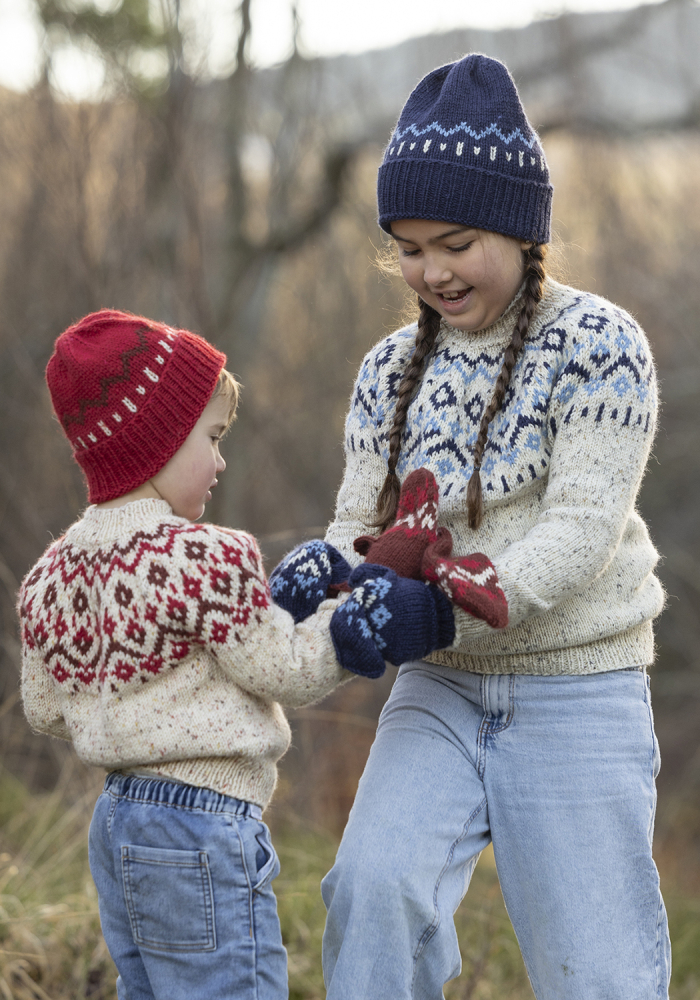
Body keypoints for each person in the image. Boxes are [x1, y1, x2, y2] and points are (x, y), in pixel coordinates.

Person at [320, 54, 670, 999]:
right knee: (373, 889)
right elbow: (357, 522)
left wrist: (438, 609)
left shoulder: (600, 347)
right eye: (408, 247)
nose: (430, 271)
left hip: (579, 686)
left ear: (520, 227)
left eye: (455, 242)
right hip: (440, 687)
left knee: (596, 971)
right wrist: (327, 585)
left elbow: (579, 533)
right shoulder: (388, 370)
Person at [17, 309, 456, 1000]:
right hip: (202, 824)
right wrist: (359, 622)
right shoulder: (206, 556)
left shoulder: (52, 574)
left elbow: (46, 708)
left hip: (118, 824)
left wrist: (146, 694)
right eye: (212, 438)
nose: (221, 461)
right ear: (157, 441)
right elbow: (285, 670)